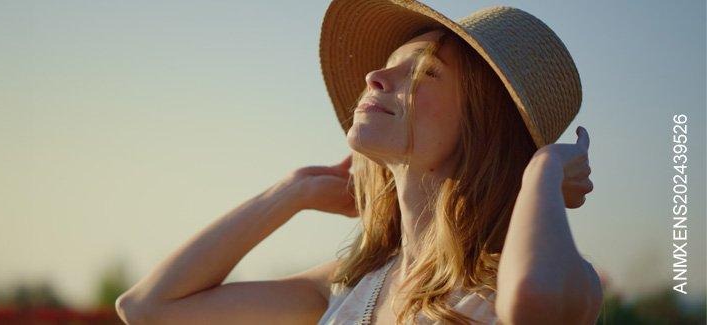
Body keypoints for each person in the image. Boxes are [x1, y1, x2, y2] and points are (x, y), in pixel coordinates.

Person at [114, 0, 602, 324]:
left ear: (483, 124)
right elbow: (147, 307)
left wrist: (541, 173)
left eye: (425, 72)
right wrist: (294, 191)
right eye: (391, 62)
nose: (374, 75)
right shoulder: (349, 286)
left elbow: (533, 303)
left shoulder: (535, 279)